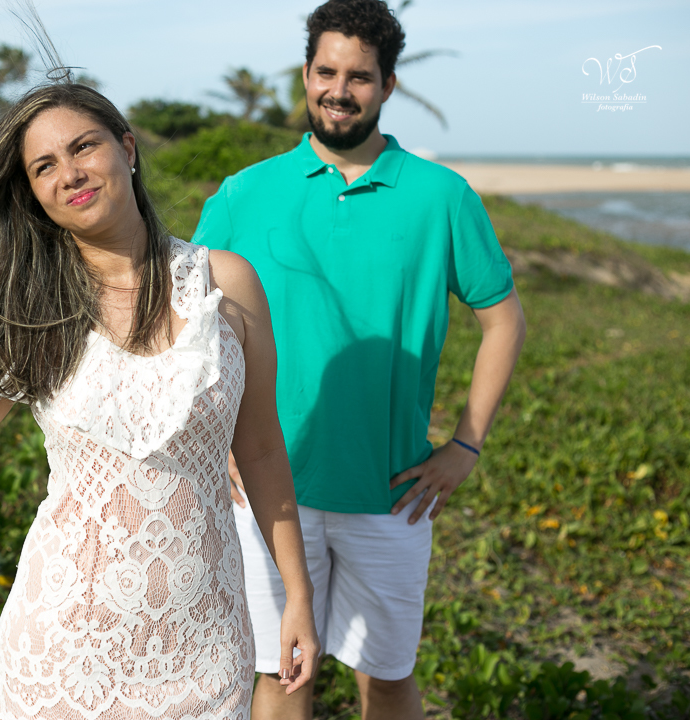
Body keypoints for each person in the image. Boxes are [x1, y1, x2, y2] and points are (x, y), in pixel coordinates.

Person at [0, 82, 319, 719]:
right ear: (33, 193)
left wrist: (297, 593)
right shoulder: (32, 310)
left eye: (83, 147)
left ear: (127, 148)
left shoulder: (226, 283)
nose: (68, 173)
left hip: (205, 643)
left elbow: (261, 450)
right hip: (64, 650)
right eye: (43, 166)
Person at [192, 1, 528, 719]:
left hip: (392, 493)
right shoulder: (245, 193)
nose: (339, 91)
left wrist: (466, 445)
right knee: (283, 676)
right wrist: (213, 441)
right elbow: (188, 325)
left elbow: (503, 321)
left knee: (389, 677)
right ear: (305, 74)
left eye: (360, 77)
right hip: (271, 490)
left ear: (388, 85)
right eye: (326, 72)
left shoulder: (442, 197)